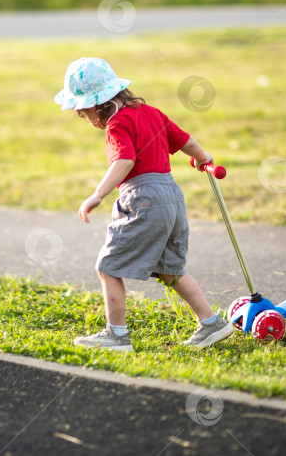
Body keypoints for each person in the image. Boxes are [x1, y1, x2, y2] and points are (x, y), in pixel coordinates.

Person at [54, 57, 234, 352]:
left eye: (84, 115)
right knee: (170, 269)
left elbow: (125, 160)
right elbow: (186, 141)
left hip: (143, 200)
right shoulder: (152, 113)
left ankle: (117, 335)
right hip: (172, 197)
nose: (88, 122)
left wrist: (97, 195)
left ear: (98, 104)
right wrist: (204, 159)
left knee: (108, 266)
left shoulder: (117, 123)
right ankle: (211, 322)